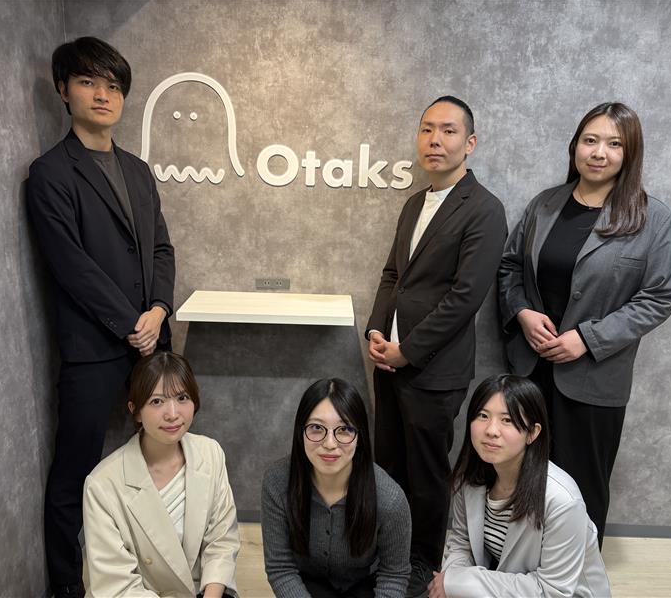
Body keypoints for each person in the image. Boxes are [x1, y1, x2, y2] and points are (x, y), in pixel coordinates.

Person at [27, 37, 175, 597]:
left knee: (163, 457)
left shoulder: (137, 171)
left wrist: (158, 311)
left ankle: (163, 567)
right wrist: (132, 324)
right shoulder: (50, 173)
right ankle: (68, 586)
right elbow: (71, 265)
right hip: (93, 347)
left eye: (113, 85)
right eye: (88, 82)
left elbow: (161, 248)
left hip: (152, 339)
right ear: (64, 90)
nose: (102, 95)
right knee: (76, 472)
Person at [498, 102, 671, 546]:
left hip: (594, 377)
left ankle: (577, 571)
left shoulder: (653, 219)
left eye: (614, 144)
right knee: (522, 477)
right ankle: (521, 566)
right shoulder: (545, 204)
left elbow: (659, 297)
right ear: (575, 146)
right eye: (590, 140)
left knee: (580, 486)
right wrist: (522, 312)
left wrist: (587, 338)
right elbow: (509, 267)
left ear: (629, 153)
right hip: (531, 371)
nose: (599, 152)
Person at [366, 95, 508, 595]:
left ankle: (423, 567)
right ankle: (389, 554)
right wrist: (377, 331)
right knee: (388, 466)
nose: (435, 140)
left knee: (426, 475)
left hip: (434, 369)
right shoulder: (413, 203)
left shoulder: (485, 209)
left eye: (448, 131)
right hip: (389, 363)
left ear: (469, 143)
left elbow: (466, 297)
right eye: (427, 129)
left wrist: (408, 349)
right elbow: (392, 276)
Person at [427, 374, 611, 598]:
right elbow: (461, 542)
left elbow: (552, 591)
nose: (491, 430)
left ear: (532, 433)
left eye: (507, 420)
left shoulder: (562, 501)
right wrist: (451, 581)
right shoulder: (469, 479)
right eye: (483, 416)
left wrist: (460, 582)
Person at [83, 352, 239, 597]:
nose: (173, 413)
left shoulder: (210, 453)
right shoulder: (102, 484)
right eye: (157, 401)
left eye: (182, 398)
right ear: (135, 410)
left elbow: (221, 542)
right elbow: (117, 585)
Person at [261, 378, 411, 597]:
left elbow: (394, 575)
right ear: (300, 431)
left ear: (359, 436)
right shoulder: (277, 482)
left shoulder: (390, 498)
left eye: (344, 429)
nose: (330, 443)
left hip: (365, 586)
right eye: (316, 428)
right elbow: (280, 568)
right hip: (305, 586)